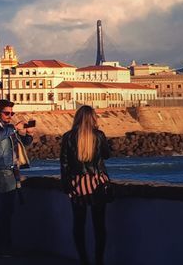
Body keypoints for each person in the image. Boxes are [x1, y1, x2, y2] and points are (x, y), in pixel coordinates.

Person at [60, 105, 111, 265]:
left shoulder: (68, 137)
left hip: (77, 183)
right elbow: (106, 155)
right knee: (99, 225)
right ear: (92, 118)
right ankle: (99, 260)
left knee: (79, 223)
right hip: (96, 182)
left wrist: (66, 184)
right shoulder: (99, 135)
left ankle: (83, 260)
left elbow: (64, 163)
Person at [0, 98, 33, 257]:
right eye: (6, 113)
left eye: (12, 113)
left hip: (13, 171)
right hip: (2, 171)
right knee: (5, 210)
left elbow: (21, 145)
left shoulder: (8, 128)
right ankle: (3, 246)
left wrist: (28, 136)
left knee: (9, 210)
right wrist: (12, 128)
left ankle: (6, 245)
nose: (9, 116)